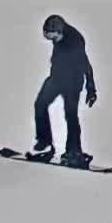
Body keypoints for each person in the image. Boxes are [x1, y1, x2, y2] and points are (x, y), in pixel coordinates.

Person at [30, 14, 97, 167]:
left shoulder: (76, 40)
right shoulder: (58, 35)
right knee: (40, 104)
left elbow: (86, 64)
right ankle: (44, 142)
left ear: (60, 32)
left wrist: (91, 88)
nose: (52, 41)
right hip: (57, 78)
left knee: (70, 115)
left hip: (73, 82)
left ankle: (74, 151)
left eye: (52, 38)